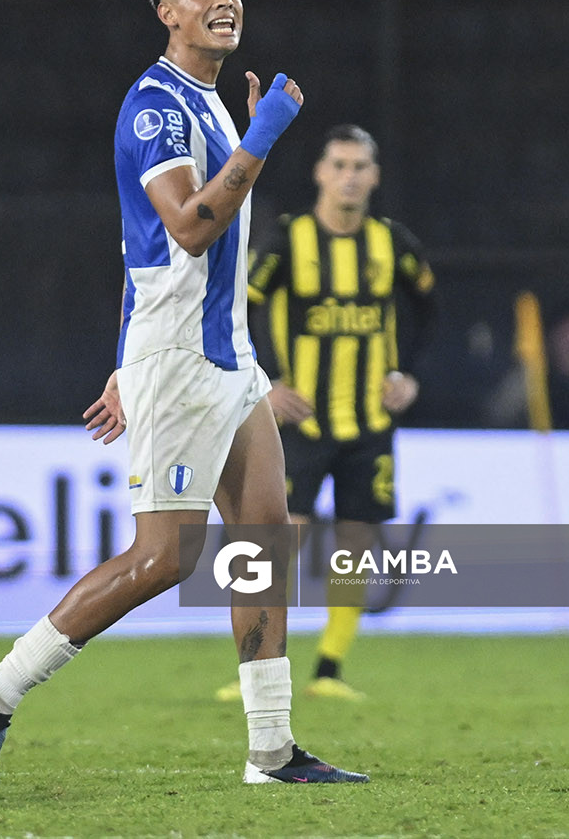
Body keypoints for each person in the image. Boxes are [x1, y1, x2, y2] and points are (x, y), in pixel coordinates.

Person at [0, 0, 368, 786]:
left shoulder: (207, 104)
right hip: (179, 359)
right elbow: (185, 227)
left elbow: (137, 255)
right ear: (167, 13)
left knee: (262, 541)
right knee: (165, 560)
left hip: (225, 355)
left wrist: (117, 360)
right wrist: (262, 140)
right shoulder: (156, 107)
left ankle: (271, 750)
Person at [211, 124, 436, 703]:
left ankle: (330, 671)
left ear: (375, 176)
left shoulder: (393, 243)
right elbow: (241, 305)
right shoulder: (289, 241)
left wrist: (406, 375)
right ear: (320, 172)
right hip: (300, 424)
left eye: (360, 166)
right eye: (339, 164)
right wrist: (266, 385)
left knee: (356, 543)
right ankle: (259, 667)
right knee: (276, 542)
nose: (350, 176)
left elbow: (428, 308)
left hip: (369, 425)